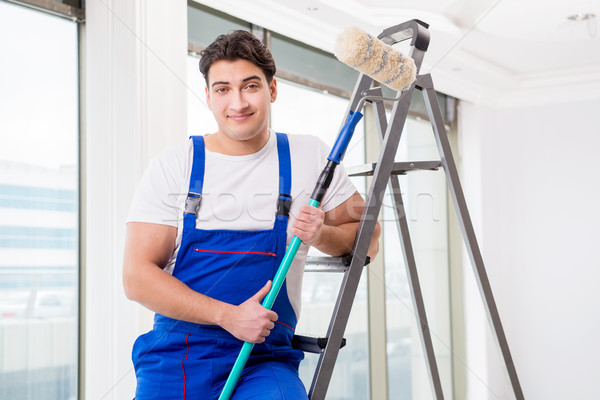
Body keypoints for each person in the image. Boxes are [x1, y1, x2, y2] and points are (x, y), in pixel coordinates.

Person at [123, 30, 380, 399]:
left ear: (272, 90)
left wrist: (321, 234)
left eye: (251, 86)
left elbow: (369, 241)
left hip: (264, 360)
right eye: (223, 89)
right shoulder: (175, 166)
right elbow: (136, 277)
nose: (238, 102)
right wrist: (228, 316)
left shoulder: (310, 158)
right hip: (177, 358)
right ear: (209, 96)